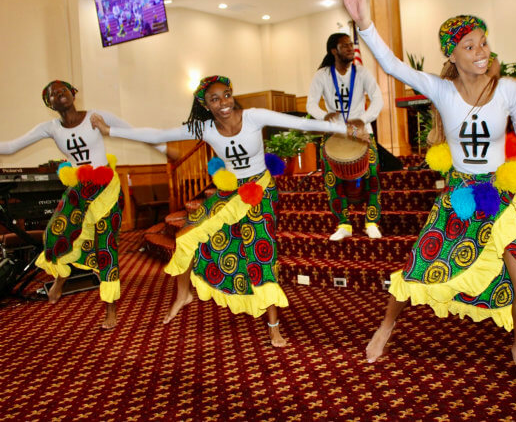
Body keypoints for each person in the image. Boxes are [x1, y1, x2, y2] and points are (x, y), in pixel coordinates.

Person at [339, 0, 516, 385]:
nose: (480, 51)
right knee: (416, 269)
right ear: (453, 55)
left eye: (483, 42)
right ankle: (387, 325)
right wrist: (363, 21)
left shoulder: (509, 89)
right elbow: (391, 65)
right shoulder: (441, 91)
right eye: (469, 46)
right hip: (460, 195)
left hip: (502, 196)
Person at [91, 75, 366, 346]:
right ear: (206, 105)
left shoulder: (254, 116)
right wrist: (109, 131)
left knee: (262, 254)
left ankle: (273, 327)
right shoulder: (205, 128)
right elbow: (157, 134)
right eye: (215, 99)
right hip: (229, 191)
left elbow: (295, 123)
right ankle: (183, 295)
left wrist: (348, 130)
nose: (223, 102)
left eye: (226, 95)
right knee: (186, 236)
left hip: (260, 192)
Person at [0, 80, 158, 329]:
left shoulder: (95, 116)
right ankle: (61, 279)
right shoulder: (51, 127)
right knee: (56, 232)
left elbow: (131, 131)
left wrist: (161, 146)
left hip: (106, 188)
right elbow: (11, 146)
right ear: (48, 103)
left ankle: (110, 309)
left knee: (105, 246)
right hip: (80, 189)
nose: (59, 95)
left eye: (63, 90)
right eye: (53, 94)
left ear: (73, 94)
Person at [307, 32, 384, 241]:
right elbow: (310, 104)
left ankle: (371, 223)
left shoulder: (362, 72)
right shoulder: (322, 75)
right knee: (331, 180)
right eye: (345, 45)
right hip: (335, 133)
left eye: (351, 45)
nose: (351, 48)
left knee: (373, 178)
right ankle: (343, 224)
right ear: (334, 50)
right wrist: (325, 115)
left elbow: (377, 99)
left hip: (362, 132)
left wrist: (364, 118)